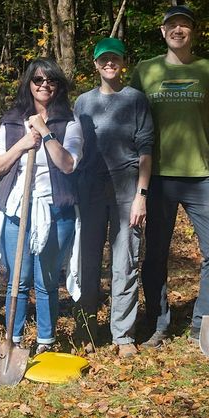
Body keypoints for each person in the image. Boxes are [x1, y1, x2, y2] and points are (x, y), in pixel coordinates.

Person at [131, 4, 209, 346]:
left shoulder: (207, 69)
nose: (179, 30)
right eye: (172, 26)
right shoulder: (145, 71)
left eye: (185, 26)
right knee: (157, 254)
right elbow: (128, 115)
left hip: (200, 178)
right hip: (159, 176)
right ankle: (158, 323)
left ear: (192, 33)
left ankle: (203, 322)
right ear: (163, 32)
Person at [0, 60, 82, 354]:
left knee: (47, 280)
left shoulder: (70, 121)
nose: (44, 85)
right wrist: (24, 142)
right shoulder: (14, 119)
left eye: (50, 80)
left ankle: (45, 341)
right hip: (18, 210)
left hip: (56, 210)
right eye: (38, 80)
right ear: (29, 83)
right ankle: (12, 342)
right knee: (18, 279)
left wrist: (46, 133)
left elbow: (68, 165)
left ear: (59, 85)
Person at [73, 38, 154, 357]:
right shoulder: (82, 102)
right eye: (103, 59)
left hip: (126, 191)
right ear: (95, 64)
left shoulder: (135, 100)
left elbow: (146, 149)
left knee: (125, 263)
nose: (109, 63)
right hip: (90, 191)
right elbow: (74, 148)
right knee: (86, 263)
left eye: (115, 58)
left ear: (123, 63)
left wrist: (141, 196)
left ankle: (122, 335)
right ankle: (87, 330)